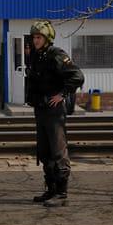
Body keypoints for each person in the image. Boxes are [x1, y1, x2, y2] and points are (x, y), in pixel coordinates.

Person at [24, 20, 84, 207]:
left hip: (54, 111)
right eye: (34, 37)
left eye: (39, 37)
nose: (35, 40)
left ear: (47, 38)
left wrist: (62, 94)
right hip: (41, 110)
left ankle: (61, 193)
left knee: (58, 152)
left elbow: (77, 76)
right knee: (44, 152)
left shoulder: (56, 55)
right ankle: (50, 189)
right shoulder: (37, 56)